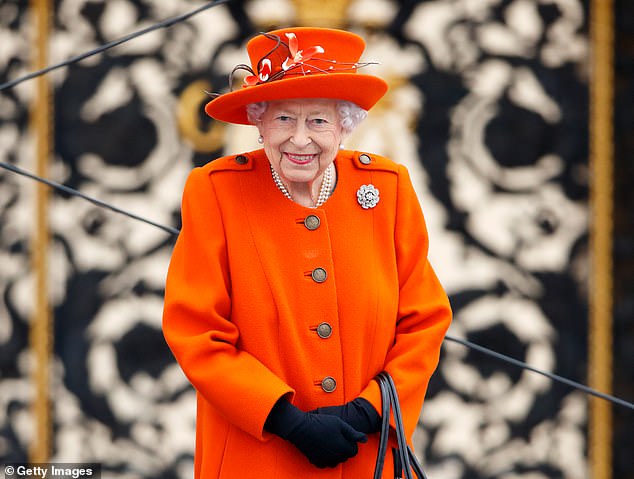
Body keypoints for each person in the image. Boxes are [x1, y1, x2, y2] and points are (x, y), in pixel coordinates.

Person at [162, 27, 452, 478]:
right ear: (258, 121)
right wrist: (286, 420)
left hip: (365, 454)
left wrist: (369, 412)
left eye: (318, 120)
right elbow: (196, 331)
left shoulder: (386, 189)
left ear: (345, 124)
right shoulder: (216, 192)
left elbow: (424, 322)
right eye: (282, 119)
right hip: (256, 456)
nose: (300, 140)